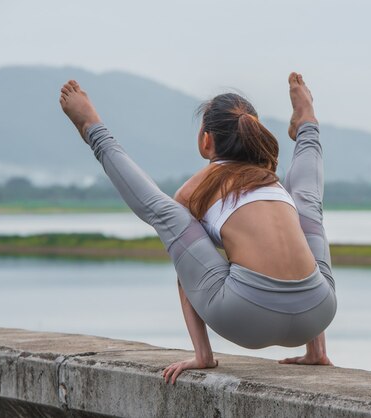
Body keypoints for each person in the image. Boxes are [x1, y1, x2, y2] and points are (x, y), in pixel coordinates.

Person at [59, 72, 337, 384]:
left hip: (245, 318)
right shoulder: (271, 183)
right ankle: (307, 125)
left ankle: (203, 355)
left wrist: (93, 130)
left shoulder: (196, 189)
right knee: (307, 207)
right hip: (319, 311)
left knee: (175, 229)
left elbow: (149, 203)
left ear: (206, 140)